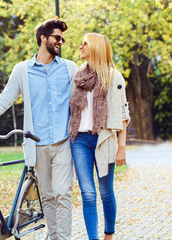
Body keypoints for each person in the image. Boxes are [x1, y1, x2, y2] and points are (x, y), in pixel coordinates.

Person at [0, 19, 78, 240]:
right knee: (47, 196)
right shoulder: (22, 71)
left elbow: (80, 102)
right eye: (57, 37)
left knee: (63, 194)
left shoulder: (70, 68)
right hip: (37, 145)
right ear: (43, 39)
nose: (61, 42)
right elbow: (4, 100)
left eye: (62, 39)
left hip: (63, 142)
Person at [69, 33, 130, 240]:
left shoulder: (114, 77)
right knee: (87, 193)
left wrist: (121, 147)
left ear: (95, 47)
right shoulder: (79, 75)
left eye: (85, 43)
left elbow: (123, 115)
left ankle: (109, 234)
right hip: (80, 141)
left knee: (105, 192)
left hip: (103, 140)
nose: (80, 46)